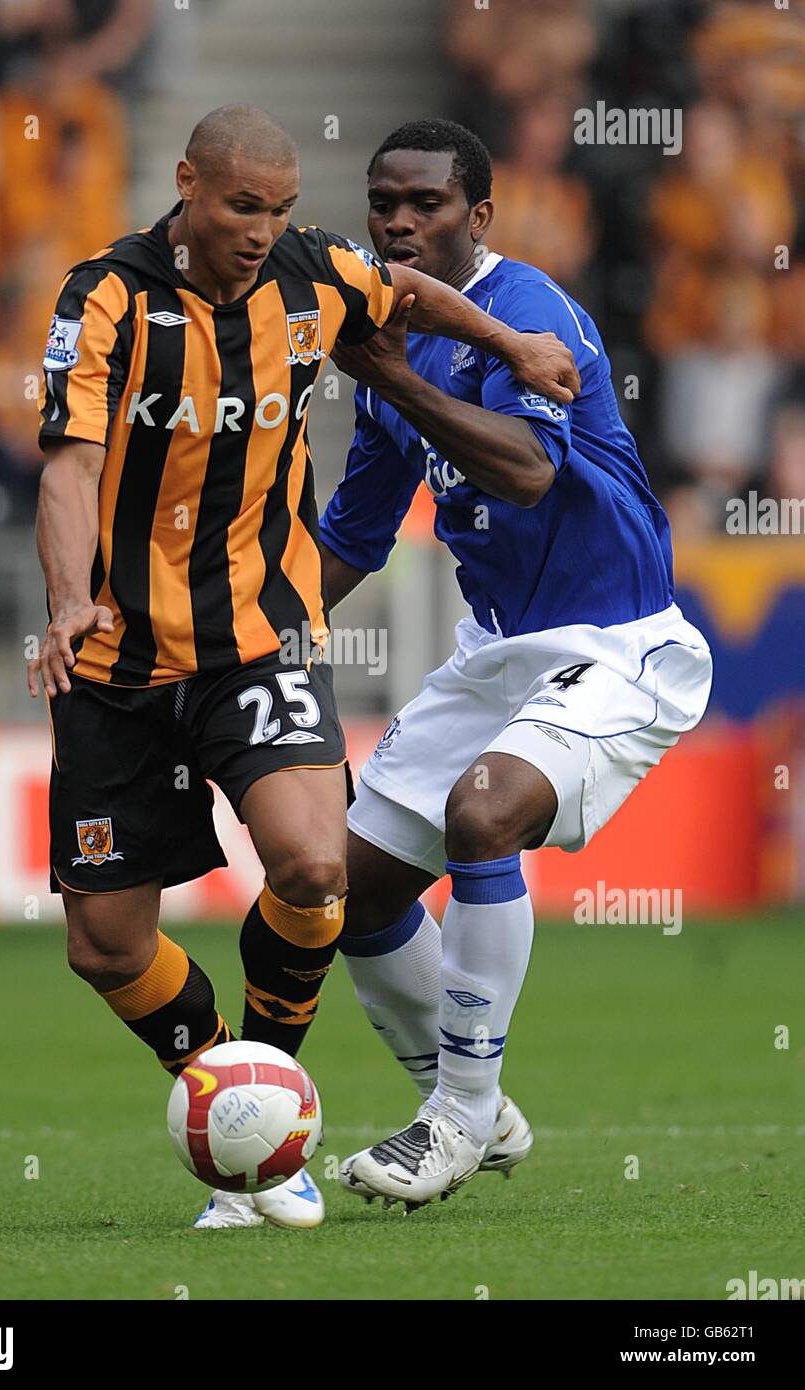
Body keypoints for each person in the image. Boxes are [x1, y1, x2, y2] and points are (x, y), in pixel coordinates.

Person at [26, 105, 580, 1231]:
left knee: (316, 866)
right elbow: (70, 467)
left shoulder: (311, 274)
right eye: (240, 207)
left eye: (278, 209)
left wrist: (511, 346)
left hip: (259, 641)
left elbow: (408, 294)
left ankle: (272, 1136)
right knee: (107, 943)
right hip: (117, 660)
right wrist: (69, 599)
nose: (259, 231)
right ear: (186, 185)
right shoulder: (105, 299)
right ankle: (237, 1084)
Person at [318, 119, 713, 1209]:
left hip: (617, 642)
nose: (398, 221)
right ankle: (474, 1104)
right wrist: (247, 637)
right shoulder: (385, 351)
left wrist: (393, 377)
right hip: (499, 652)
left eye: (426, 204)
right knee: (345, 893)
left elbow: (529, 470)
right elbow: (352, 536)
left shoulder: (525, 311)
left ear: (478, 214)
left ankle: (449, 1120)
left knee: (482, 813)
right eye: (383, 201)